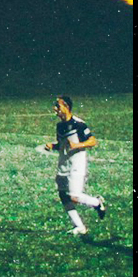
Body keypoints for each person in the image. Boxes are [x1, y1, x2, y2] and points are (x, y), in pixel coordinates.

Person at [36, 95, 106, 235]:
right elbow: (63, 145)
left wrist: (77, 145)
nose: (55, 109)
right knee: (63, 195)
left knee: (74, 196)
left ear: (66, 107)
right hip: (63, 164)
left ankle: (96, 203)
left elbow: (92, 141)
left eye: (58, 106)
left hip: (76, 164)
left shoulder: (78, 124)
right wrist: (53, 146)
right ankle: (79, 226)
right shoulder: (60, 126)